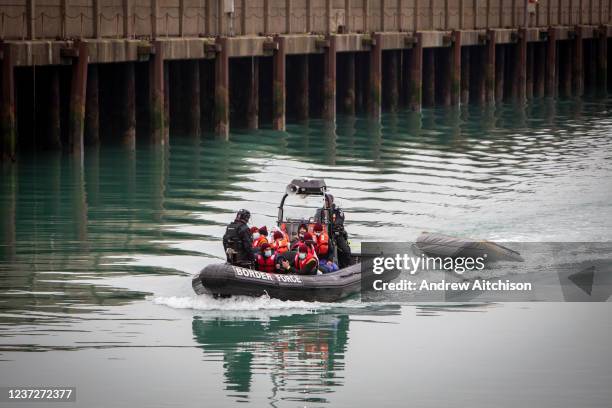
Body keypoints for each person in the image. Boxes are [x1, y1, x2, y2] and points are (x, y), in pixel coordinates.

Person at [325, 194, 352, 268]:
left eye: (327, 200)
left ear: (332, 201)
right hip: (324, 234)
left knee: (345, 250)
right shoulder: (321, 211)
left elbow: (339, 221)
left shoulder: (337, 211)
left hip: (336, 234)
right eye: (325, 200)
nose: (326, 202)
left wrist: (333, 226)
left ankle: (347, 264)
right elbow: (316, 220)